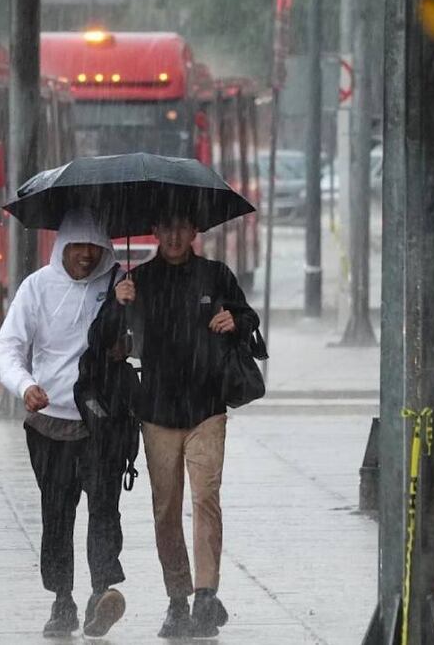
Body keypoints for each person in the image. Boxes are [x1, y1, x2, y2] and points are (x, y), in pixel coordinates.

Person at [91, 204, 259, 639]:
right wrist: (117, 303)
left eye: (182, 228)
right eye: (166, 228)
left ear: (195, 231)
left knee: (206, 499)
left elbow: (248, 318)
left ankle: (206, 594)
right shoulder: (138, 280)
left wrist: (235, 320)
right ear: (155, 230)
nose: (174, 236)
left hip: (207, 408)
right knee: (165, 509)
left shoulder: (216, 275)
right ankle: (178, 599)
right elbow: (105, 339)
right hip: (157, 413)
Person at [0, 208, 128, 639]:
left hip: (102, 423)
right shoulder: (36, 288)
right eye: (78, 246)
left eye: (95, 247)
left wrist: (127, 330)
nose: (87, 255)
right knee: (56, 513)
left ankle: (102, 592)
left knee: (104, 509)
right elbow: (9, 346)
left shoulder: (120, 286)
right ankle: (62, 600)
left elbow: (143, 341)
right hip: (49, 425)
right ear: (62, 247)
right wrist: (25, 386)